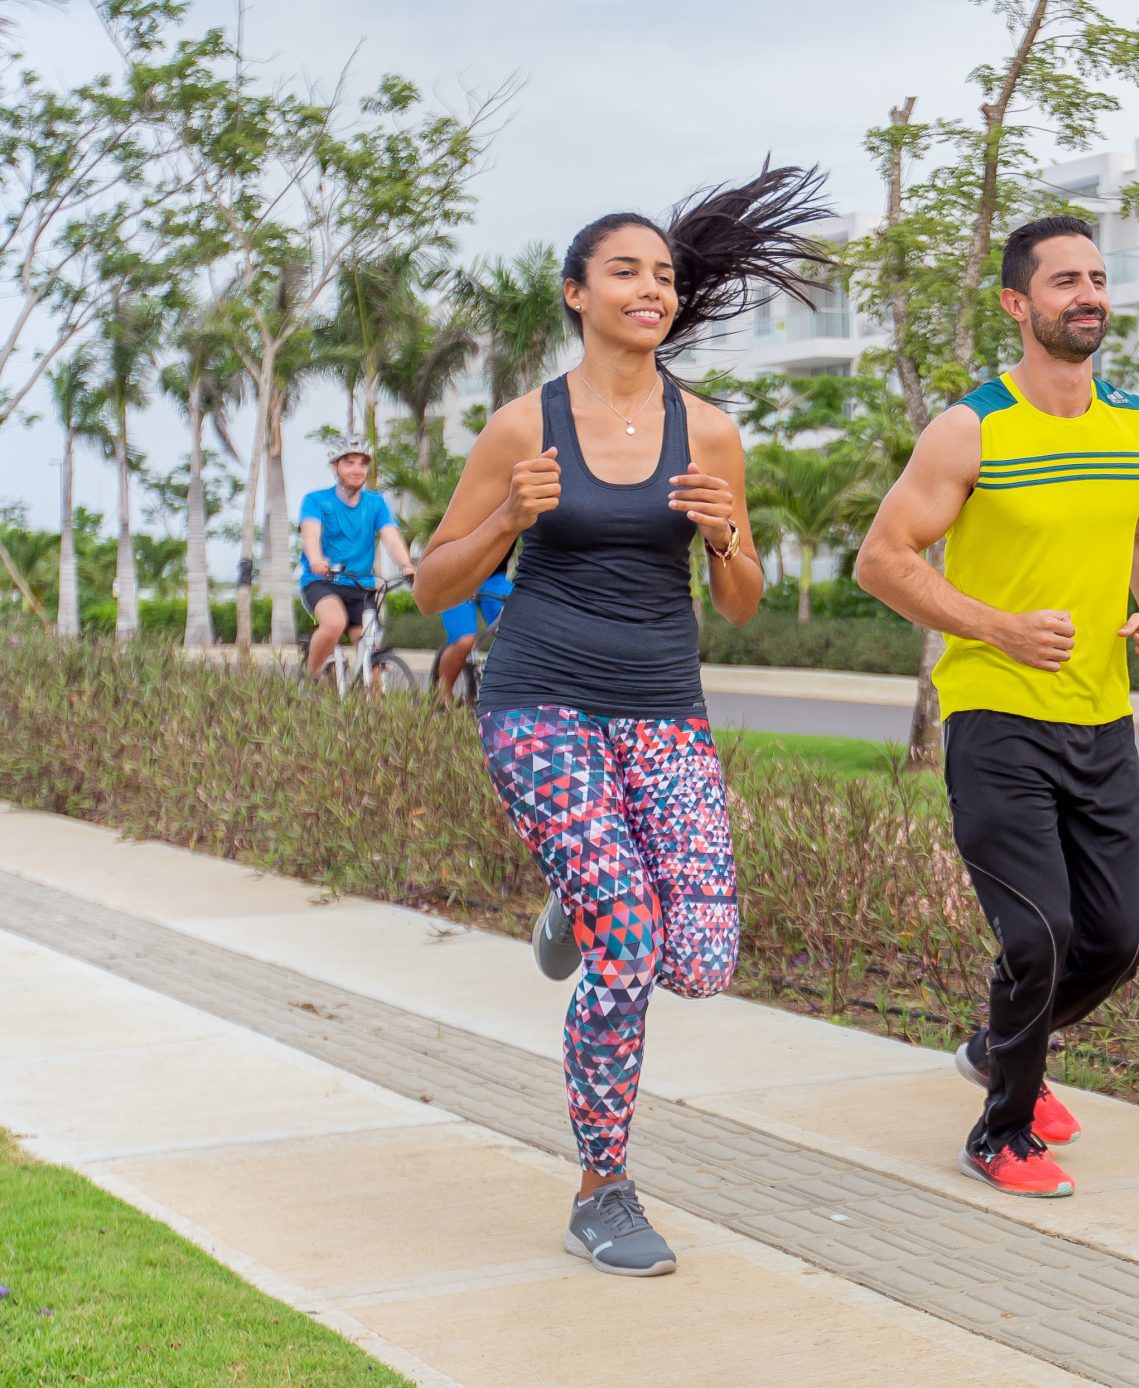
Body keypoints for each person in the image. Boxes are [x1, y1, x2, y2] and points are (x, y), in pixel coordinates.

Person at [414, 165, 828, 1276]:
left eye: (664, 275)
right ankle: (604, 1185)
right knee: (632, 936)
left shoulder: (712, 432)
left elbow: (736, 604)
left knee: (698, 958)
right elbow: (428, 584)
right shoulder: (522, 425)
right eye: (626, 272)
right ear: (575, 293)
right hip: (539, 700)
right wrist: (508, 511)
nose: (653, 288)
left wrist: (728, 537)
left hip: (662, 711)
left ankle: (575, 893)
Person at [856, 215, 1139, 1200]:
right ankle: (1000, 1131)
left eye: (1096, 276)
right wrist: (994, 627)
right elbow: (883, 559)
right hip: (997, 716)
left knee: (1116, 939)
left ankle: (1000, 1046)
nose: (1086, 294)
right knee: (1038, 930)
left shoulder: (1137, 425)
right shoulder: (972, 427)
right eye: (1062, 281)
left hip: (1102, 717)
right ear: (1016, 303)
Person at [298, 448, 413, 681]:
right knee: (333, 624)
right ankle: (309, 679)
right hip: (324, 581)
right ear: (335, 467)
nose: (357, 469)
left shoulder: (375, 503)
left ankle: (374, 711)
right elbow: (310, 533)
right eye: (349, 463)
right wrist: (316, 560)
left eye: (362, 464)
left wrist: (406, 566)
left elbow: (390, 536)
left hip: (361, 586)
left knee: (371, 653)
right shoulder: (316, 500)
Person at [431, 565, 511, 705]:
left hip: (493, 578)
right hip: (456, 579)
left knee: (519, 630)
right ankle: (442, 698)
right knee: (464, 641)